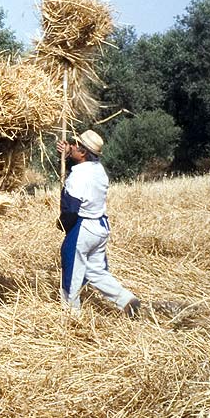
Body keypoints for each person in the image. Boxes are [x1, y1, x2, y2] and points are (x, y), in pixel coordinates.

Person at [56, 130, 141, 318]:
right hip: (101, 227)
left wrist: (63, 224)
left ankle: (72, 315)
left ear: (84, 152)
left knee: (72, 270)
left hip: (83, 227)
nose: (73, 145)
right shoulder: (98, 170)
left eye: (76, 144)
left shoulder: (78, 176)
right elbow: (79, 167)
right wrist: (67, 153)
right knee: (96, 270)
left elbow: (71, 209)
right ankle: (126, 299)